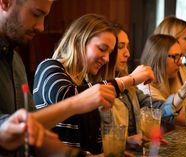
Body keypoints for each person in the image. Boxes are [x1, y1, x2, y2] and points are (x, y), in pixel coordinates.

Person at [0, 0, 116, 156]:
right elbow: (7, 129)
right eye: (36, 14)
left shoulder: (16, 62)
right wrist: (77, 102)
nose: (41, 27)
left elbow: (32, 133)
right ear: (5, 2)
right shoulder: (50, 67)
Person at [33, 14, 154, 154]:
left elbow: (92, 145)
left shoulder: (86, 84)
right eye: (102, 49)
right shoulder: (49, 67)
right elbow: (63, 95)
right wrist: (130, 79)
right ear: (79, 40)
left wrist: (126, 142)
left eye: (109, 52)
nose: (107, 59)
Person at [138, 34, 186, 125]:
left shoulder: (171, 78)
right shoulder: (145, 88)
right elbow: (184, 120)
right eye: (175, 57)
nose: (180, 63)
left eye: (180, 56)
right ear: (159, 57)